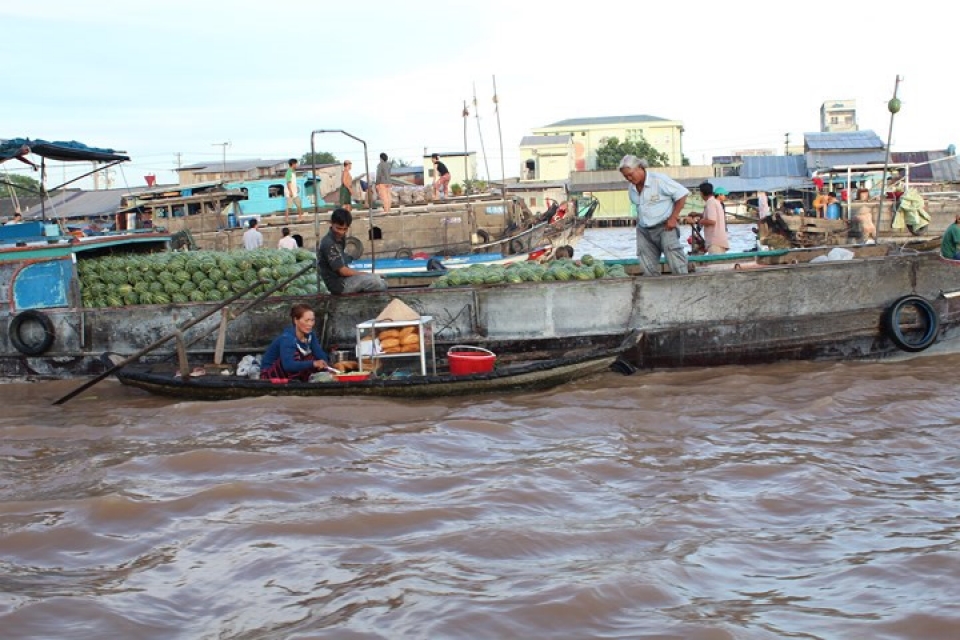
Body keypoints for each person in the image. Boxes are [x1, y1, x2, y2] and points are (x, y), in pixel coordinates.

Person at [618, 154, 689, 276]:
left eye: (631, 174)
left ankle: (685, 284)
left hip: (665, 226)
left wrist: (673, 217)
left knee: (675, 259)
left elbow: (682, 194)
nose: (629, 178)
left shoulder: (659, 180)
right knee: (646, 262)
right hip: (644, 230)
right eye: (626, 176)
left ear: (640, 168)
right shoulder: (631, 188)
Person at [318, 207, 388, 294]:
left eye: (345, 229)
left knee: (381, 281)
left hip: (344, 279)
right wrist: (366, 274)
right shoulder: (328, 243)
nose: (341, 232)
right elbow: (342, 271)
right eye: (338, 228)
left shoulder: (341, 238)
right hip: (339, 284)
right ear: (331, 224)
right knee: (377, 282)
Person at [259, 303, 331, 381]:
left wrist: (326, 364)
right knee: (298, 356)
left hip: (290, 370)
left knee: (312, 358)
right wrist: (313, 363)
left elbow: (319, 354)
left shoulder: (310, 335)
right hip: (270, 375)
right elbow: (288, 365)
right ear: (296, 320)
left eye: (312, 320)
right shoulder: (288, 338)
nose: (310, 324)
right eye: (307, 320)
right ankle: (297, 383)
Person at [686, 182, 729, 254]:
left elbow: (712, 221)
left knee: (715, 264)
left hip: (715, 242)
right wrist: (697, 215)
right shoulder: (715, 202)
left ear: (702, 193)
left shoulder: (711, 203)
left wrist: (696, 222)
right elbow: (709, 216)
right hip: (718, 240)